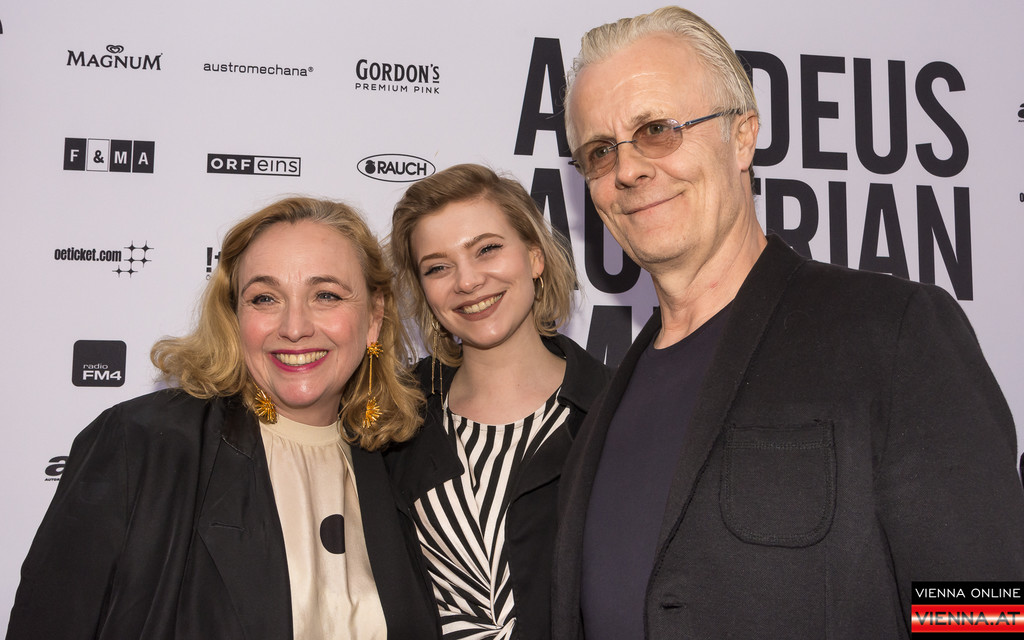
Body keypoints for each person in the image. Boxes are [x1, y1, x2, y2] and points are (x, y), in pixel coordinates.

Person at [552, 6, 1024, 639]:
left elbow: (981, 616)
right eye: (600, 152)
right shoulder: (602, 410)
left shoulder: (895, 334)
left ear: (742, 137)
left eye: (657, 129)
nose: (629, 170)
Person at [7, 197, 438, 639]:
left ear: (374, 316)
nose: (294, 327)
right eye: (265, 298)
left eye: (325, 295)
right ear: (234, 316)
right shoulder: (140, 445)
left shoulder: (397, 464)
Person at [385, 163, 611, 639]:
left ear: (534, 256)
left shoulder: (615, 412)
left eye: (487, 249)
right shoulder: (392, 414)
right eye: (438, 267)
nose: (467, 281)